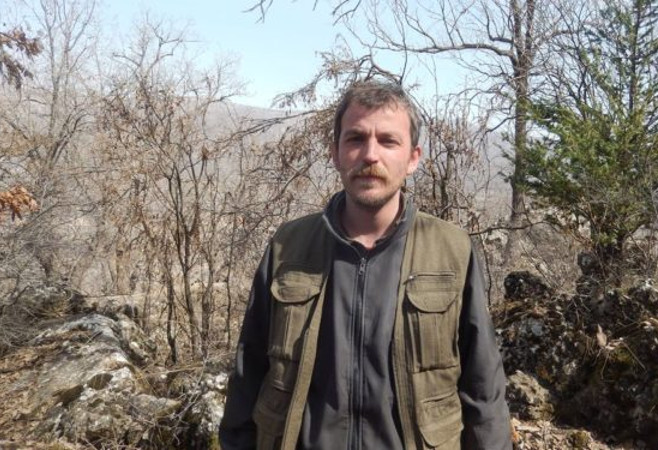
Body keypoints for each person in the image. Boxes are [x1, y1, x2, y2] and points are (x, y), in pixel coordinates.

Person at [219, 80, 511, 450]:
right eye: (355, 138)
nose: (370, 155)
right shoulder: (288, 247)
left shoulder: (450, 250)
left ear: (413, 158)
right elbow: (248, 374)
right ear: (335, 152)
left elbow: (483, 388)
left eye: (388, 141)